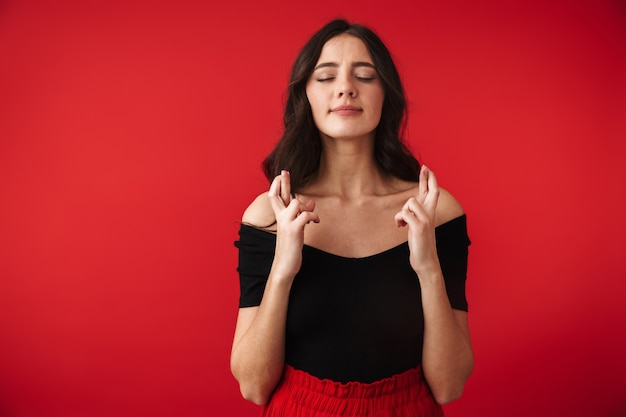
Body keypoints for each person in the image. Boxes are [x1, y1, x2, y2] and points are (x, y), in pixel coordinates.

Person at [230, 19, 473, 417]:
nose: (346, 87)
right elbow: (254, 387)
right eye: (325, 77)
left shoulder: (433, 209)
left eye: (364, 75)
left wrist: (428, 266)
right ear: (304, 96)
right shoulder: (273, 213)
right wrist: (282, 269)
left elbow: (448, 386)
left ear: (386, 95)